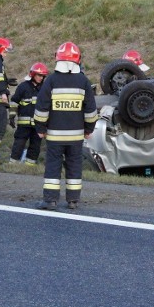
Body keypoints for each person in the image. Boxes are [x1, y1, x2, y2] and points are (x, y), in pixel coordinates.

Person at [34, 42, 97, 210]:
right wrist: (89, 129)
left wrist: (40, 128)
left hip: (55, 136)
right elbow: (90, 109)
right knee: (74, 165)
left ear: (57, 58)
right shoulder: (83, 81)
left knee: (53, 165)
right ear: (78, 60)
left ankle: (50, 200)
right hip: (76, 137)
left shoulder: (51, 80)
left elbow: (42, 106)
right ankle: (73, 200)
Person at [9, 62, 48, 165]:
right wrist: (12, 116)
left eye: (43, 76)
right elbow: (14, 101)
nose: (41, 78)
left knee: (35, 146)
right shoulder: (23, 87)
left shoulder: (45, 89)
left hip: (38, 124)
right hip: (24, 124)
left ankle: (29, 167)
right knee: (19, 144)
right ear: (33, 74)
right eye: (39, 75)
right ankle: (13, 164)